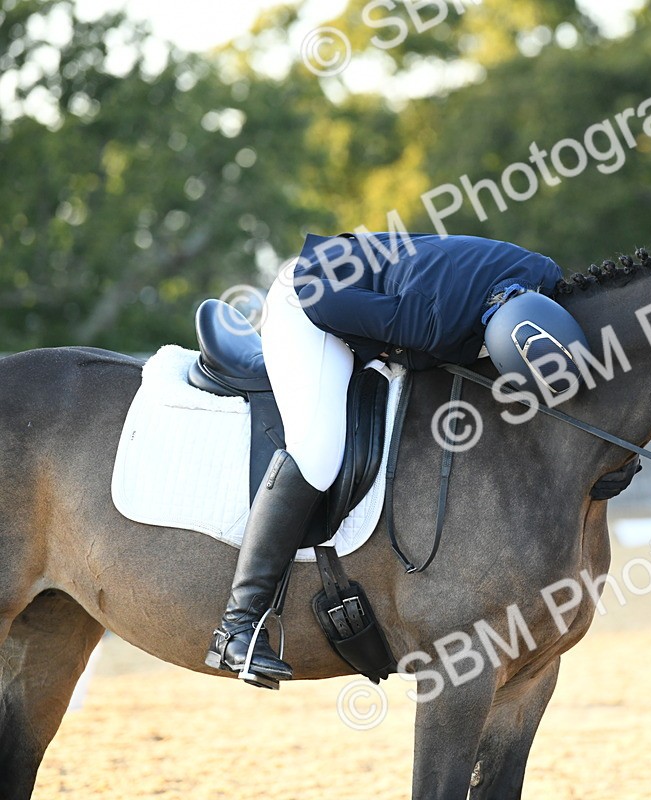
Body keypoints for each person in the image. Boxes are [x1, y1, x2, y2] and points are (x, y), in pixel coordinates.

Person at [204, 231, 583, 688]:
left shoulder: (545, 276)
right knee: (317, 452)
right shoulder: (430, 322)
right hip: (312, 295)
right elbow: (352, 319)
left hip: (386, 280)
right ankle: (238, 626)